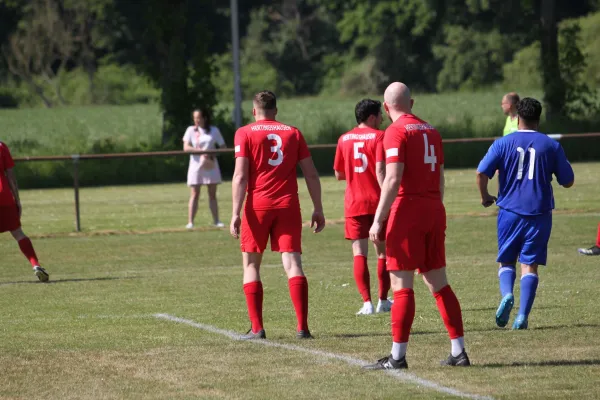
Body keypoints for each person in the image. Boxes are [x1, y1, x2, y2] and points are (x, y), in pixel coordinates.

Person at [364, 82, 469, 370]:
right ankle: (458, 351)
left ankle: (397, 357)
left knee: (401, 286)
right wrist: (433, 208)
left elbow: (393, 178)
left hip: (407, 209)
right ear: (413, 103)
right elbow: (441, 179)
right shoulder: (432, 131)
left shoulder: (394, 132)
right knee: (439, 283)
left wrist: (378, 219)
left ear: (385, 108)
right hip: (434, 208)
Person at [230, 90, 325, 340]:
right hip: (288, 205)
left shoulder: (245, 132)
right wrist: (318, 207)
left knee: (251, 264)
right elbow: (312, 174)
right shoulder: (293, 132)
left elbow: (240, 176)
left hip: (258, 205)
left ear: (254, 111)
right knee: (293, 263)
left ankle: (257, 328)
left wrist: (235, 212)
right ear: (276, 110)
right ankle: (302, 327)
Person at [477, 97, 574, 330]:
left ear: (518, 118)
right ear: (538, 120)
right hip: (539, 213)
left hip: (509, 211)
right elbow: (568, 181)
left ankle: (507, 295)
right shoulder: (551, 145)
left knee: (507, 260)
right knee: (529, 265)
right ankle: (521, 316)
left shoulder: (502, 143)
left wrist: (485, 196)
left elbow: (481, 172)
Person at [333, 99, 391, 315]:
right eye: (379, 116)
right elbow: (381, 171)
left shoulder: (343, 139)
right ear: (372, 117)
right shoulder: (380, 136)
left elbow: (339, 173)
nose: (382, 120)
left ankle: (366, 303)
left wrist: (356, 174)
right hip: (378, 201)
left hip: (354, 202)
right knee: (382, 252)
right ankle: (383, 301)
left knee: (359, 252)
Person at [0, 141, 49, 282]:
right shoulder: (1, 146)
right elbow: (10, 176)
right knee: (18, 233)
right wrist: (17, 199)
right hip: (4, 197)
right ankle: (36, 265)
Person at [183, 108, 226, 229]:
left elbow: (223, 147)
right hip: (196, 165)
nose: (196, 120)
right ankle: (190, 222)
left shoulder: (214, 130)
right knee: (194, 193)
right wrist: (201, 151)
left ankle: (216, 220)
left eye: (198, 118)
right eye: (195, 118)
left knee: (212, 194)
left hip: (210, 165)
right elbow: (186, 147)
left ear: (204, 118)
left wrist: (212, 153)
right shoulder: (190, 130)